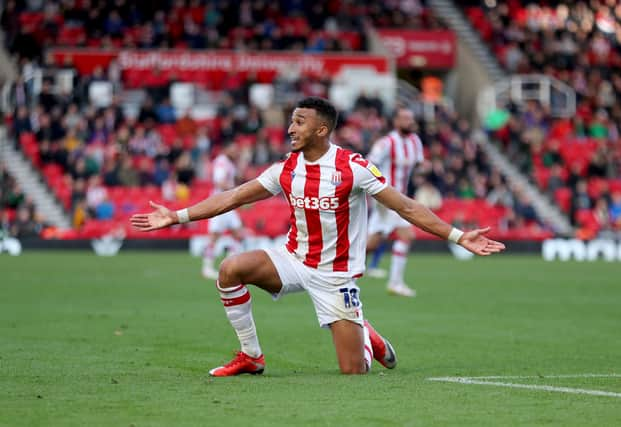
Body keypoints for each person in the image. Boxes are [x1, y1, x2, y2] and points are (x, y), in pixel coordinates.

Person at [130, 97, 505, 377]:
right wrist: (177, 215)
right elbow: (234, 196)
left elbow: (405, 207)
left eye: (299, 122)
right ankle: (251, 356)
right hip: (293, 260)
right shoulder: (286, 169)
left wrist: (458, 236)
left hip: (335, 276)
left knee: (353, 373)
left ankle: (366, 335)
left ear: (321, 130)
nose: (290, 128)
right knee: (230, 269)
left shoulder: (352, 168)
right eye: (291, 121)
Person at [365, 107, 424, 297]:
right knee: (407, 235)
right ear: (396, 121)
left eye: (411, 118)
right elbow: (369, 163)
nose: (409, 122)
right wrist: (376, 185)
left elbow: (418, 164)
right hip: (387, 196)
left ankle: (338, 272)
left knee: (372, 243)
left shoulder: (415, 141)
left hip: (401, 196)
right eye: (405, 118)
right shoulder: (386, 142)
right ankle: (395, 283)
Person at [201, 141, 245, 279]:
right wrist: (237, 191)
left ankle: (230, 266)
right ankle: (207, 268)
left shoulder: (230, 162)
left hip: (229, 203)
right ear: (226, 149)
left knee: (238, 234)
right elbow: (219, 182)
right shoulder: (222, 162)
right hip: (219, 203)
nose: (235, 151)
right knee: (214, 236)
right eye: (233, 148)